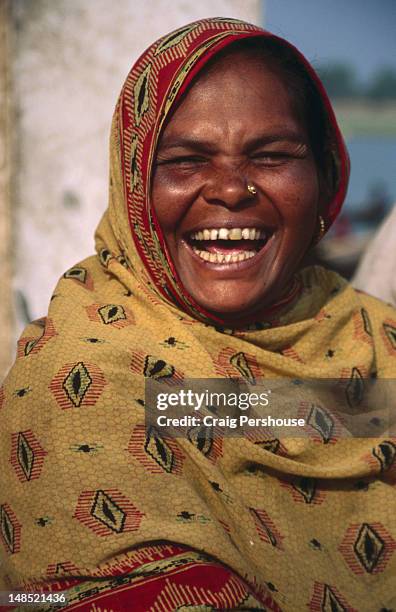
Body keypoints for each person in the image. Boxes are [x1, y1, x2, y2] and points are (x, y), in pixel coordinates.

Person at [1, 17, 395, 611]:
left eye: (271, 156)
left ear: (326, 180)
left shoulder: (374, 342)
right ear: (133, 184)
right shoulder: (82, 376)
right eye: (186, 160)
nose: (231, 189)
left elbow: (248, 408)